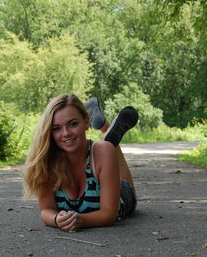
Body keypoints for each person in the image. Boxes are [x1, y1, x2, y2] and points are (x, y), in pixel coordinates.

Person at [23, 94, 138, 231]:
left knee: (125, 183)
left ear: (86, 122)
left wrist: (81, 220)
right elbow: (46, 210)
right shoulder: (47, 161)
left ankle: (108, 135)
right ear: (49, 132)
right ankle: (106, 132)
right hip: (99, 162)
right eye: (56, 128)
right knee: (106, 149)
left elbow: (109, 213)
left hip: (119, 194)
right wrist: (56, 220)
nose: (66, 133)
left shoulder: (103, 152)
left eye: (73, 124)